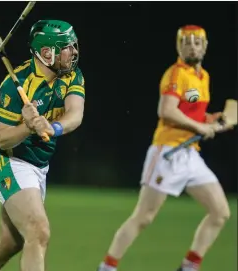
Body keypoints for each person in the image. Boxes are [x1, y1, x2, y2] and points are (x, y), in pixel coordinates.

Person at [96, 25, 232, 271]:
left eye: (197, 42)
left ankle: (189, 266)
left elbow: (190, 113)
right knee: (144, 217)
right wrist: (200, 128)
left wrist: (209, 120)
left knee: (220, 212)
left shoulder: (203, 77)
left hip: (191, 155)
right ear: (178, 46)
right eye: (186, 42)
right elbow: (167, 111)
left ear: (205, 46)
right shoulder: (175, 74)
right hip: (167, 152)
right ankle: (107, 267)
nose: (192, 46)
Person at [0, 20, 85, 271]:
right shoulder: (14, 84)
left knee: (10, 243)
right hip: (7, 159)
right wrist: (28, 127)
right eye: (67, 47)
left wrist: (52, 127)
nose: (74, 52)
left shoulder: (72, 75)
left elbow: (75, 114)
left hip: (38, 165)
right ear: (47, 53)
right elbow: (2, 138)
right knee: (38, 230)